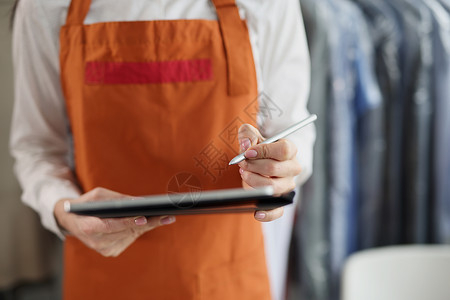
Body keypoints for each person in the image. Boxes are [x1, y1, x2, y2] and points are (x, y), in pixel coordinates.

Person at [10, 0, 315, 299]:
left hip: (227, 276)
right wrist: (64, 211)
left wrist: (277, 171)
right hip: (104, 274)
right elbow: (37, 149)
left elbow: (292, 130)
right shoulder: (45, 6)